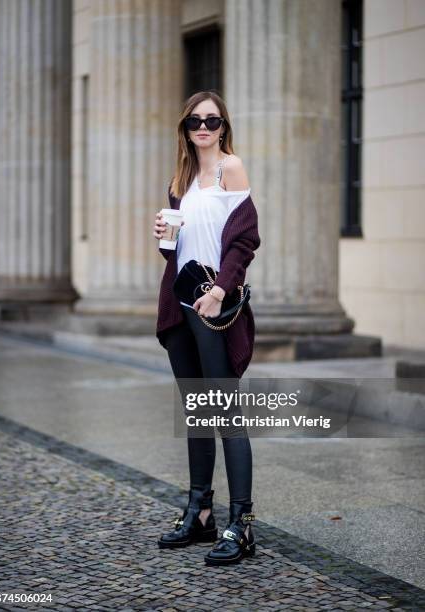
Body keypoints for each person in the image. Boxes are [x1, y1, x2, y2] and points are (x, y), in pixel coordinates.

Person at [153, 91, 261, 566]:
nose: (203, 127)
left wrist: (220, 290)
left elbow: (244, 238)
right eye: (195, 120)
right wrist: (164, 238)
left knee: (226, 415)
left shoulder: (229, 168)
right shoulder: (179, 180)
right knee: (197, 411)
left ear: (223, 126)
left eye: (212, 120)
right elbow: (176, 249)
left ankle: (241, 523)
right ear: (185, 127)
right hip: (180, 303)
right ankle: (200, 512)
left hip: (215, 306)